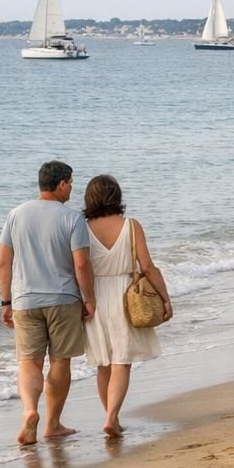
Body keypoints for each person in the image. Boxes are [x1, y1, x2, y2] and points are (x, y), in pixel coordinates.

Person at [0, 160, 95, 446]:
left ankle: (29, 411)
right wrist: (89, 299)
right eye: (71, 183)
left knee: (29, 362)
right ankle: (52, 424)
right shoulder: (72, 218)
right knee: (60, 360)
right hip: (63, 298)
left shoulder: (16, 215)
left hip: (24, 300)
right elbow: (82, 265)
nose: (72, 188)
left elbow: (4, 262)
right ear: (62, 183)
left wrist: (6, 301)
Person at [82, 174, 171, 438]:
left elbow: (79, 265)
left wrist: (83, 297)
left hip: (95, 294)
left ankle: (112, 417)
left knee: (103, 362)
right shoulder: (131, 226)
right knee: (122, 361)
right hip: (125, 294)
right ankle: (112, 418)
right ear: (117, 196)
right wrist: (165, 297)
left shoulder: (82, 228)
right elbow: (148, 267)